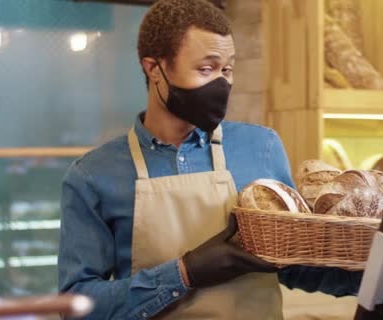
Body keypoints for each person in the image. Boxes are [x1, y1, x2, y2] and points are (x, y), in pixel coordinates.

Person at [57, 0, 360, 319]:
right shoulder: (92, 176)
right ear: (154, 69)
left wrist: (377, 271)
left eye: (227, 69)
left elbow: (294, 263)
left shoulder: (261, 147)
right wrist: (184, 273)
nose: (222, 83)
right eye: (206, 68)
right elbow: (77, 305)